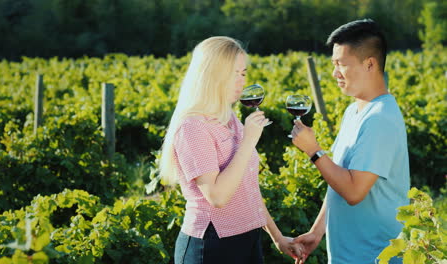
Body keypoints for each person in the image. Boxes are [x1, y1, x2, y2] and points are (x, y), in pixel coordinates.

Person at [159, 36, 303, 264]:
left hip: (247, 241)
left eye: (243, 73)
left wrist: (277, 237)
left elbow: (248, 189)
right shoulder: (193, 127)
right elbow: (217, 196)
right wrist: (248, 142)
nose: (240, 81)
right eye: (232, 73)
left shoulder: (230, 119)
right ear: (211, 74)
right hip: (211, 246)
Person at [290, 19, 410, 264]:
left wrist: (313, 151)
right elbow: (339, 177)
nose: (335, 73)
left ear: (369, 64)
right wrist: (317, 231)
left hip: (374, 257)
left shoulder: (380, 118)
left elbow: (354, 191)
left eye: (341, 64)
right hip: (351, 256)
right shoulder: (354, 111)